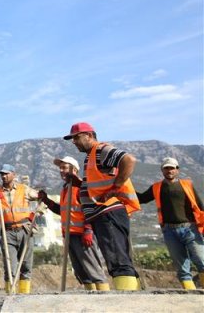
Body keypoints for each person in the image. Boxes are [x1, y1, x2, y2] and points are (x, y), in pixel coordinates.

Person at [63, 122, 141, 291]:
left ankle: (129, 301)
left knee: (118, 259)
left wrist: (115, 188)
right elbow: (95, 186)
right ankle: (130, 295)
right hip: (102, 215)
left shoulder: (101, 150)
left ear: (89, 135)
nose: (74, 142)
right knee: (115, 258)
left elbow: (129, 160)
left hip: (109, 213)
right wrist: (78, 182)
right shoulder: (91, 156)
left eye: (76, 137)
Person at [38, 156, 109, 291]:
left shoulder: (81, 187)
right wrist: (47, 200)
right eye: (60, 168)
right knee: (82, 272)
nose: (61, 170)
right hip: (70, 235)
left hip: (83, 235)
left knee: (93, 269)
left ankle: (105, 298)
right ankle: (91, 297)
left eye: (64, 167)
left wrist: (88, 229)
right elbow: (63, 211)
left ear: (74, 170)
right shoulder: (65, 189)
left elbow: (89, 209)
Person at [137, 157, 204, 290]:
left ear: (177, 170)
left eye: (172, 168)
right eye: (166, 168)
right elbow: (142, 199)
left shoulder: (187, 184)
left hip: (190, 229)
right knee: (182, 267)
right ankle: (190, 295)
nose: (169, 171)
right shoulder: (157, 187)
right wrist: (124, 189)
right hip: (169, 231)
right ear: (162, 170)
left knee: (201, 261)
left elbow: (200, 206)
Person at [0, 163, 39, 294]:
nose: (3, 176)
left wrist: (37, 214)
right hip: (7, 232)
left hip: (24, 230)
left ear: (13, 175)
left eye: (6, 173)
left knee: (26, 265)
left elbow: (42, 198)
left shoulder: (24, 189)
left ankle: (24, 296)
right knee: (10, 267)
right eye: (2, 174)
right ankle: (10, 296)